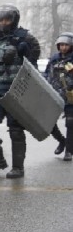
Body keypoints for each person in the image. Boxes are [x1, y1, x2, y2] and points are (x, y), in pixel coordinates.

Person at [0, 4, 41, 178]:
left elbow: (32, 68)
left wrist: (26, 53)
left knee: (15, 130)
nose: (3, 23)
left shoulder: (26, 38)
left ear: (14, 20)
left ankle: (18, 167)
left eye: (7, 19)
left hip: (16, 91)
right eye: (0, 20)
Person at [44, 32, 73, 161]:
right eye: (61, 45)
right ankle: (62, 141)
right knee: (48, 123)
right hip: (54, 95)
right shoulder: (54, 59)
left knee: (70, 123)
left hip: (70, 96)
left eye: (66, 45)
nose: (63, 48)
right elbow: (46, 74)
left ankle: (69, 150)